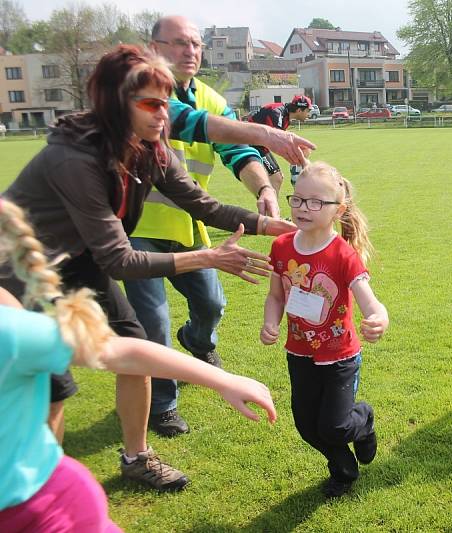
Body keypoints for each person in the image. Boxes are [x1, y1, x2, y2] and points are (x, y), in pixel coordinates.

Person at [0, 44, 293, 492]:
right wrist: (209, 257)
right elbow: (120, 260)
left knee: (133, 350)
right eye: (151, 103)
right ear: (117, 103)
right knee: (50, 384)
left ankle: (137, 458)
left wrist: (264, 223)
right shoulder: (74, 160)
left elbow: (201, 203)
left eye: (168, 102)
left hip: (78, 260)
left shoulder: (151, 148)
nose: (164, 113)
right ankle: (39, 487)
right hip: (19, 270)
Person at [0, 197, 277, 532]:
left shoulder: (10, 334)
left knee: (189, 311)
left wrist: (224, 380)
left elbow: (125, 352)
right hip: (41, 500)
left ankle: (142, 447)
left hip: (47, 509)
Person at [123, 15, 281, 438]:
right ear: (153, 46)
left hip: (193, 226)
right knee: (152, 323)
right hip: (137, 230)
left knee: (212, 306)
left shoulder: (210, 97)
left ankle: (198, 342)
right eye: (177, 43)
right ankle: (163, 405)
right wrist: (268, 131)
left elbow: (238, 150)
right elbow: (191, 121)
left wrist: (263, 187)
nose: (189, 51)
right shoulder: (139, 90)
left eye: (194, 44)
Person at [260, 162, 389, 498]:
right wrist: (270, 322)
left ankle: (365, 421)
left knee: (335, 426)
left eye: (316, 202)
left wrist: (379, 318)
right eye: (298, 199)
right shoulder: (281, 247)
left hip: (340, 356)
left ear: (338, 210)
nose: (304, 208)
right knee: (307, 426)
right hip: (299, 352)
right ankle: (343, 471)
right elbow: (275, 295)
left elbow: (369, 301)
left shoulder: (343, 255)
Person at [246, 94, 314, 189]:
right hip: (252, 143)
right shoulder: (277, 113)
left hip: (260, 144)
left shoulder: (285, 115)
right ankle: (295, 176)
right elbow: (279, 142)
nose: (309, 114)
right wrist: (302, 160)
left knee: (278, 177)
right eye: (308, 111)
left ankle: (295, 173)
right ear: (299, 110)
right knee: (276, 177)